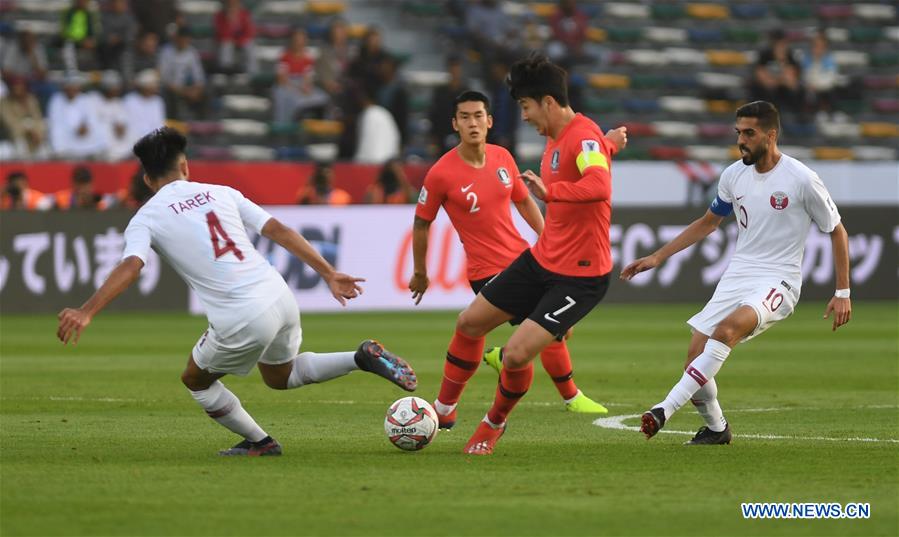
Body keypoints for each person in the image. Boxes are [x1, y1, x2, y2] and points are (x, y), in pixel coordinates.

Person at [56, 127, 418, 456]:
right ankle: (360, 357)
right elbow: (278, 230)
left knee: (195, 380)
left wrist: (87, 310)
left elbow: (132, 265)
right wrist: (328, 272)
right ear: (185, 166)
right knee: (280, 376)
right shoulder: (221, 192)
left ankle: (260, 443)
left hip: (241, 314)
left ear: (148, 179)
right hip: (279, 295)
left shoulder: (147, 217)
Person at [621, 101, 851, 445]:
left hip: (780, 280)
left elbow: (837, 230)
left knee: (726, 331)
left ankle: (663, 410)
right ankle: (716, 429)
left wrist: (843, 292)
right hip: (738, 275)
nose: (741, 140)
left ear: (770, 135)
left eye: (749, 133)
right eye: (738, 133)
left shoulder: (802, 179)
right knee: (694, 358)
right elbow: (708, 223)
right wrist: (658, 256)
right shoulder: (733, 175)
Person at [428, 55, 621, 455]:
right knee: (469, 323)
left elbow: (598, 184)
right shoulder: (563, 136)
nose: (525, 116)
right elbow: (592, 156)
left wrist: (554, 193)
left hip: (580, 276)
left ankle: (492, 424)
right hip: (542, 259)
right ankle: (444, 409)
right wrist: (609, 145)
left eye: (525, 106)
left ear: (548, 102)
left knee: (515, 355)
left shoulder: (580, 137)